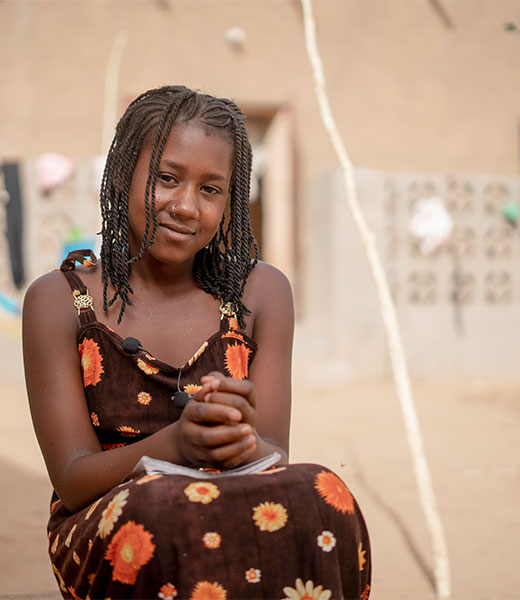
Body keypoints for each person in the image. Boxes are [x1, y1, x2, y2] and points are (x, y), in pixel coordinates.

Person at [23, 85, 371, 600]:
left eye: (211, 189)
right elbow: (73, 479)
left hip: (229, 499)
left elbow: (274, 454)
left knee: (326, 493)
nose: (186, 207)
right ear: (122, 174)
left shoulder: (260, 293)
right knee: (160, 510)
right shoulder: (62, 300)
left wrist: (240, 432)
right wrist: (176, 445)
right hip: (113, 521)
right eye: (167, 179)